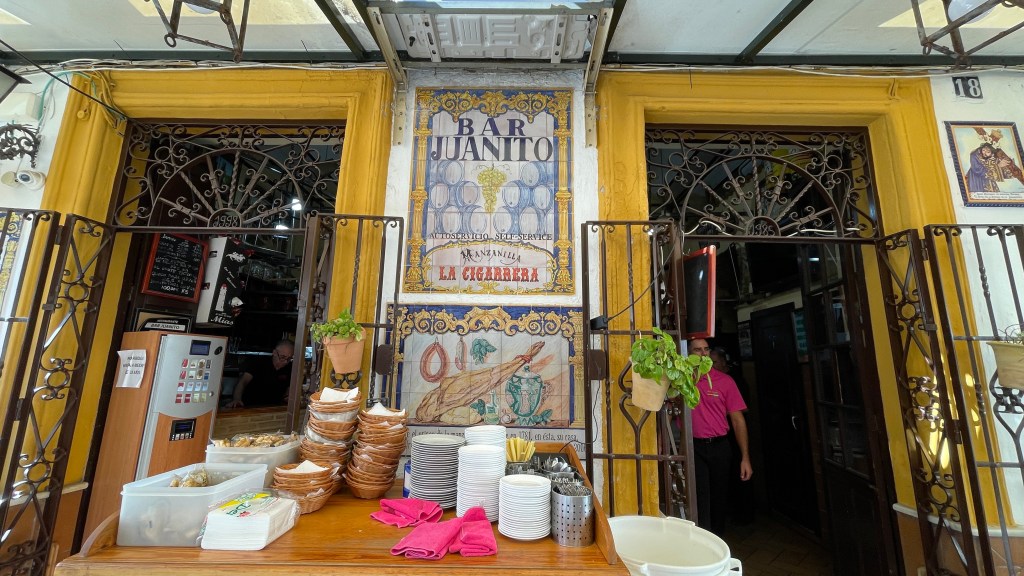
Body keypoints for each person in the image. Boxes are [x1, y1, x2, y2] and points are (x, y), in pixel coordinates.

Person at [689, 338, 752, 536]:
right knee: (700, 499)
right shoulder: (682, 381)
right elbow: (669, 413)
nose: (703, 354)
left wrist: (745, 458)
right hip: (693, 447)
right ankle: (702, 543)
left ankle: (717, 541)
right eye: (697, 350)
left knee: (719, 497)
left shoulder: (725, 381)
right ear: (688, 354)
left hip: (719, 446)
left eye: (706, 349)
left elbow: (738, 421)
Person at [225, 340, 294, 409]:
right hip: (250, 406)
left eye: (289, 358)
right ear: (274, 353)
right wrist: (237, 399)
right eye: (282, 357)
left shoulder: (290, 368)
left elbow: (289, 388)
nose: (285, 362)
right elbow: (243, 382)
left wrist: (288, 397)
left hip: (274, 408)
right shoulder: (259, 362)